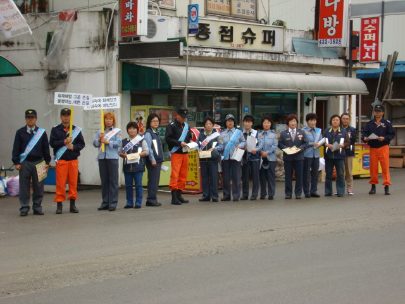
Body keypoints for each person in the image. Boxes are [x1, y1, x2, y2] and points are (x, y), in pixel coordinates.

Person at [12, 109, 51, 216]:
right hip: (25, 162)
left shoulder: (41, 133)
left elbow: (45, 148)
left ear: (36, 119)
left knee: (38, 186)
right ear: (25, 119)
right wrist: (16, 162)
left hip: (39, 162)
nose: (30, 119)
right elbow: (16, 148)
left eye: (32, 117)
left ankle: (37, 207)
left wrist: (47, 161)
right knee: (24, 186)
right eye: (28, 117)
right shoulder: (20, 132)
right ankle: (24, 207)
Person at [50, 108, 85, 214]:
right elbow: (52, 143)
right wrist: (64, 141)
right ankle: (59, 205)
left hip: (73, 160)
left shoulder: (76, 130)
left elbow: (81, 144)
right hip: (62, 160)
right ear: (60, 117)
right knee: (60, 183)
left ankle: (72, 205)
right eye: (64, 115)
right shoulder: (55, 129)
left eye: (68, 115)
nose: (66, 117)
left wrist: (73, 147)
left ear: (71, 117)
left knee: (73, 183)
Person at [362, 104, 395, 195]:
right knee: (373, 168)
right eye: (376, 111)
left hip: (383, 146)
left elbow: (392, 134)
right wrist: (365, 138)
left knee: (385, 167)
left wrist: (384, 138)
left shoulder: (387, 123)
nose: (377, 113)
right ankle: (373, 186)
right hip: (373, 147)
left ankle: (386, 186)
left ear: (383, 112)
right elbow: (364, 133)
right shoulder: (370, 123)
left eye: (379, 111)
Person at [93, 112, 122, 211]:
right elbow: (95, 143)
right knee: (104, 181)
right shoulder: (100, 131)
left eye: (110, 119)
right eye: (106, 119)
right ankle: (105, 202)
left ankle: (113, 203)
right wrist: (100, 140)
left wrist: (108, 142)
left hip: (112, 157)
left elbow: (119, 142)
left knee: (113, 181)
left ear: (113, 121)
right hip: (102, 157)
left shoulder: (117, 131)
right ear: (103, 120)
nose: (108, 121)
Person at [165, 106, 193, 205]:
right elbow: (168, 139)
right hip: (176, 153)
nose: (183, 119)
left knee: (183, 174)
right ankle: (174, 196)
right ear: (177, 115)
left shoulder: (186, 126)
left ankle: (179, 194)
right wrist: (178, 143)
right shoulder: (171, 126)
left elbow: (189, 137)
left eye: (185, 117)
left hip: (185, 153)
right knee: (175, 174)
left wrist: (190, 142)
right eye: (182, 116)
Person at [216, 114, 246, 202]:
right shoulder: (221, 134)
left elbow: (244, 142)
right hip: (225, 157)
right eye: (228, 121)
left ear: (234, 122)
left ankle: (236, 195)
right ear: (225, 122)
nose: (230, 122)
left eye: (231, 121)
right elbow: (220, 146)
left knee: (236, 177)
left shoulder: (239, 132)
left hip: (236, 157)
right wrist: (214, 149)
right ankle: (226, 195)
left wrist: (240, 146)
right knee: (225, 177)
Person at [119, 122, 149, 209]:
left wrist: (137, 155)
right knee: (128, 185)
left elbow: (146, 151)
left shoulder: (141, 140)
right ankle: (129, 202)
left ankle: (138, 202)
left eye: (134, 128)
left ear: (137, 130)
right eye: (130, 129)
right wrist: (123, 155)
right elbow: (120, 152)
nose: (132, 130)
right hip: (127, 166)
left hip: (138, 166)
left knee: (138, 185)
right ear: (127, 130)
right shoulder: (124, 141)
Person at [278, 114, 308, 199]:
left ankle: (298, 193)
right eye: (291, 121)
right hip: (288, 157)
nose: (293, 123)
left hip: (299, 157)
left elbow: (305, 143)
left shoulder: (301, 132)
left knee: (299, 175)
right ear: (288, 123)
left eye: (294, 121)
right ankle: (288, 193)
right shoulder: (284, 133)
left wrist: (300, 148)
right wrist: (286, 148)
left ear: (297, 122)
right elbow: (280, 144)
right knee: (288, 176)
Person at [323, 114, 350, 197]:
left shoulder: (343, 131)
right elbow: (322, 142)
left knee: (340, 174)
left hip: (339, 156)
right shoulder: (327, 131)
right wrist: (327, 145)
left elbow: (348, 142)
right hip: (329, 155)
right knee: (328, 174)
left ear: (339, 122)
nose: (335, 121)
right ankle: (328, 191)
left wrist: (341, 146)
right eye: (333, 120)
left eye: (337, 120)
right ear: (331, 121)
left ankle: (340, 191)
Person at [197, 116, 220, 202]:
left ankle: (214, 196)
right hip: (203, 159)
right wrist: (198, 149)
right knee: (205, 178)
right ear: (204, 125)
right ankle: (206, 195)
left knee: (214, 178)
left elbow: (220, 145)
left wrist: (214, 149)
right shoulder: (201, 135)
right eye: (207, 124)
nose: (208, 125)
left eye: (210, 124)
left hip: (212, 159)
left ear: (213, 125)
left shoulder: (216, 135)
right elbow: (197, 144)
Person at [143, 114, 163, 207]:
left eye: (157, 121)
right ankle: (151, 199)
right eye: (154, 121)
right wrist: (153, 160)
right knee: (153, 180)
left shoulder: (156, 132)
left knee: (156, 180)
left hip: (157, 160)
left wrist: (161, 158)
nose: (156, 123)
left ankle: (153, 198)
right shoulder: (148, 133)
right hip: (153, 161)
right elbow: (149, 148)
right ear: (149, 122)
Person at [241, 114, 262, 200]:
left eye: (249, 122)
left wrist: (256, 149)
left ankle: (254, 194)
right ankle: (245, 194)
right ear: (243, 123)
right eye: (246, 122)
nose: (247, 124)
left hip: (255, 156)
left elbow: (261, 144)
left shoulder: (256, 133)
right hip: (245, 157)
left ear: (252, 123)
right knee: (245, 177)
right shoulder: (240, 133)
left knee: (255, 176)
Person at [302, 113, 322, 198]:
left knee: (315, 173)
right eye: (310, 120)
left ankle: (314, 190)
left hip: (316, 154)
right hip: (307, 155)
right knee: (306, 174)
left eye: (314, 120)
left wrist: (320, 143)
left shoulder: (318, 131)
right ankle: (306, 191)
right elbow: (303, 143)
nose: (313, 122)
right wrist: (311, 144)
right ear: (307, 121)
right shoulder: (303, 131)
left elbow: (321, 140)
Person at [258, 116, 278, 200]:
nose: (266, 124)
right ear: (262, 124)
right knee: (262, 177)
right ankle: (263, 194)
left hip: (271, 158)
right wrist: (261, 152)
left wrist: (267, 152)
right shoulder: (258, 134)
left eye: (268, 123)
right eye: (265, 122)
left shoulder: (274, 135)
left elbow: (275, 146)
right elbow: (256, 145)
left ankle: (271, 193)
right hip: (261, 158)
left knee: (271, 177)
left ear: (271, 124)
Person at [341, 113, 357, 195]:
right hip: (339, 152)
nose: (345, 120)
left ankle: (350, 188)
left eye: (347, 119)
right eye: (343, 118)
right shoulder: (338, 128)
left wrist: (346, 145)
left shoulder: (352, 129)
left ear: (349, 120)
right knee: (340, 171)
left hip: (349, 152)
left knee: (349, 172)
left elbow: (353, 140)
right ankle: (339, 188)